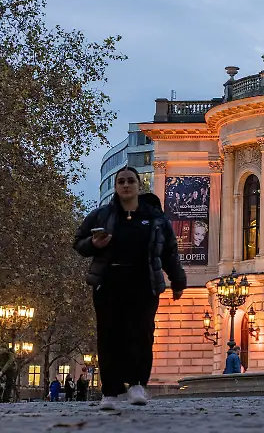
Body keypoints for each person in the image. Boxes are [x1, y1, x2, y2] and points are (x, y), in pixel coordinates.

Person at [74, 166, 187, 411]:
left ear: (138, 185)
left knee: (142, 334)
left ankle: (137, 385)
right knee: (109, 336)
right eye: (121, 181)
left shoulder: (156, 219)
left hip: (144, 283)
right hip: (110, 282)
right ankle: (110, 392)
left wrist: (178, 281)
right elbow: (78, 243)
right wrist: (93, 243)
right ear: (116, 187)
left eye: (131, 181)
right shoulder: (101, 215)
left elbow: (169, 252)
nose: (126, 185)